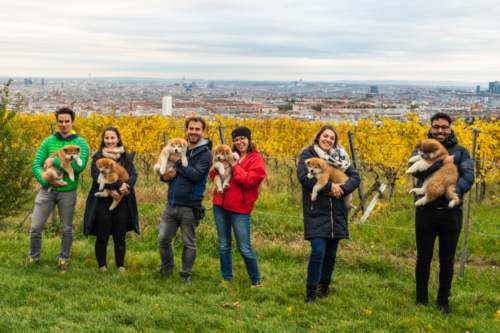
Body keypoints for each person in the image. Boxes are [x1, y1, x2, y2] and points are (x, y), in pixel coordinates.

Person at [408, 112, 474, 314]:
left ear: (450, 128)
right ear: (431, 127)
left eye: (444, 127)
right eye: (436, 126)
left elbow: (468, 176)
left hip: (451, 213)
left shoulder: (461, 151)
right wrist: (441, 164)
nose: (440, 130)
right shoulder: (423, 147)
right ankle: (421, 299)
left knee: (447, 260)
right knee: (423, 258)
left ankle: (443, 301)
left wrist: (448, 191)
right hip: (425, 211)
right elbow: (416, 170)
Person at [297, 125, 360, 304]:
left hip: (338, 211)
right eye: (325, 136)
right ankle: (311, 291)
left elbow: (355, 177)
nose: (328, 140)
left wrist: (343, 189)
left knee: (331, 254)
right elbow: (303, 178)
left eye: (332, 138)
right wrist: (328, 187)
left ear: (335, 141)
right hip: (316, 210)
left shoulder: (341, 157)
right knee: (318, 251)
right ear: (318, 137)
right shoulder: (308, 155)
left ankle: (323, 287)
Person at [29, 108, 89, 271]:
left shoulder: (81, 143)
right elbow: (36, 164)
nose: (63, 125)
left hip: (68, 192)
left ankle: (63, 259)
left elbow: (79, 168)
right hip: (46, 190)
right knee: (35, 227)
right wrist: (47, 182)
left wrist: (54, 160)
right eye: (60, 121)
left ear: (73, 122)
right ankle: (33, 258)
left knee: (67, 228)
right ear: (57, 122)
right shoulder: (48, 142)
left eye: (66, 121)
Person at [158, 116, 213, 284]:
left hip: (190, 205)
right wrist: (165, 177)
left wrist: (177, 163)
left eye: (197, 129)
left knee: (188, 242)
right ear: (186, 130)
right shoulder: (179, 146)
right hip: (171, 203)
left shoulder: (206, 154)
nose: (194, 132)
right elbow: (167, 172)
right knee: (163, 239)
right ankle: (166, 269)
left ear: (203, 132)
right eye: (191, 128)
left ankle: (185, 274)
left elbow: (196, 176)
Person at [209, 127, 266, 288]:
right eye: (236, 139)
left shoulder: (256, 159)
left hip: (240, 208)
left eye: (242, 138)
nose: (239, 142)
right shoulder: (227, 154)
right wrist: (219, 166)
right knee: (224, 245)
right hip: (220, 205)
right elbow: (213, 175)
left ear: (249, 139)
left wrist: (234, 165)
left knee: (244, 248)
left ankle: (256, 282)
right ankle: (226, 278)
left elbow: (248, 181)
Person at [83, 127, 139, 272]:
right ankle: (102, 265)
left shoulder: (125, 157)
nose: (109, 141)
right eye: (107, 138)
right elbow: (97, 177)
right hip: (102, 202)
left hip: (122, 202)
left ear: (118, 139)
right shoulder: (97, 157)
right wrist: (119, 185)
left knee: (120, 236)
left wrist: (124, 189)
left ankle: (120, 265)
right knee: (102, 235)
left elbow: (133, 175)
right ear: (104, 140)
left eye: (112, 138)